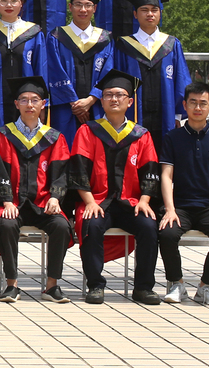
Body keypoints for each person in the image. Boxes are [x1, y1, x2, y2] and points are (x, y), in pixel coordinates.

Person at [69, 69, 161, 305]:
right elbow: (79, 171)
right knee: (91, 224)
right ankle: (95, 285)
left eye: (120, 95)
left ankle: (143, 287)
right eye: (108, 95)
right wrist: (89, 202)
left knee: (149, 227)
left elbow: (150, 172)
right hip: (98, 201)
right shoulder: (88, 131)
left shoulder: (141, 135)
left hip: (131, 202)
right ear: (101, 100)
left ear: (130, 102)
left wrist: (144, 200)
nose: (114, 99)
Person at [0, 76, 73, 304]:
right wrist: (6, 201)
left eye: (35, 100)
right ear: (16, 104)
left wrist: (55, 197)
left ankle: (52, 285)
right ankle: (12, 284)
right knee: (6, 225)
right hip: (13, 203)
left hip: (43, 203)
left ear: (43, 104)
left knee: (61, 226)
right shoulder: (3, 135)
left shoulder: (54, 138)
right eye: (24, 100)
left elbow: (61, 173)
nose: (29, 105)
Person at [158, 81, 209, 306]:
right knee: (167, 234)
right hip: (180, 206)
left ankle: (206, 286)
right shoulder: (173, 137)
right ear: (185, 105)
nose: (198, 108)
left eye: (203, 103)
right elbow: (166, 176)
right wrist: (170, 209)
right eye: (193, 103)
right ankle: (177, 284)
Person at [113, 0, 192, 157]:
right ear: (135, 14)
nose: (150, 14)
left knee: (165, 156)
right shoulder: (124, 46)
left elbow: (181, 79)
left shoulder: (171, 45)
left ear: (160, 14)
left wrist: (177, 115)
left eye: (154, 10)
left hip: (165, 115)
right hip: (133, 114)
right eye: (144, 10)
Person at [47, 0, 114, 146]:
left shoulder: (105, 39)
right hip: (65, 108)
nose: (83, 10)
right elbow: (54, 70)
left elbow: (109, 71)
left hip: (96, 106)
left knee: (96, 149)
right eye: (78, 4)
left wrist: (91, 100)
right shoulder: (57, 36)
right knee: (65, 148)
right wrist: (75, 103)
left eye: (88, 5)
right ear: (70, 7)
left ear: (94, 8)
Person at [0, 0, 48, 133]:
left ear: (22, 2)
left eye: (14, 0)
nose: (9, 5)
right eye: (3, 0)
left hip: (28, 103)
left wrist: (42, 104)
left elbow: (41, 69)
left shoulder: (33, 33)